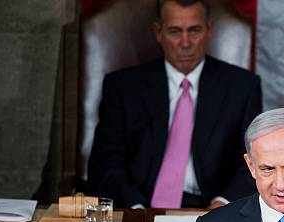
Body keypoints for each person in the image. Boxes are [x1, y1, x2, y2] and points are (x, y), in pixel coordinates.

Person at [88, 0, 261, 209]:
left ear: (209, 30)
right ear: (158, 32)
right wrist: (135, 210)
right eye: (175, 32)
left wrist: (223, 203)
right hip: (139, 206)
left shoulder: (242, 88)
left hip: (211, 208)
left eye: (194, 30)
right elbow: (106, 163)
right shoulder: (123, 88)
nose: (185, 42)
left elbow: (252, 162)